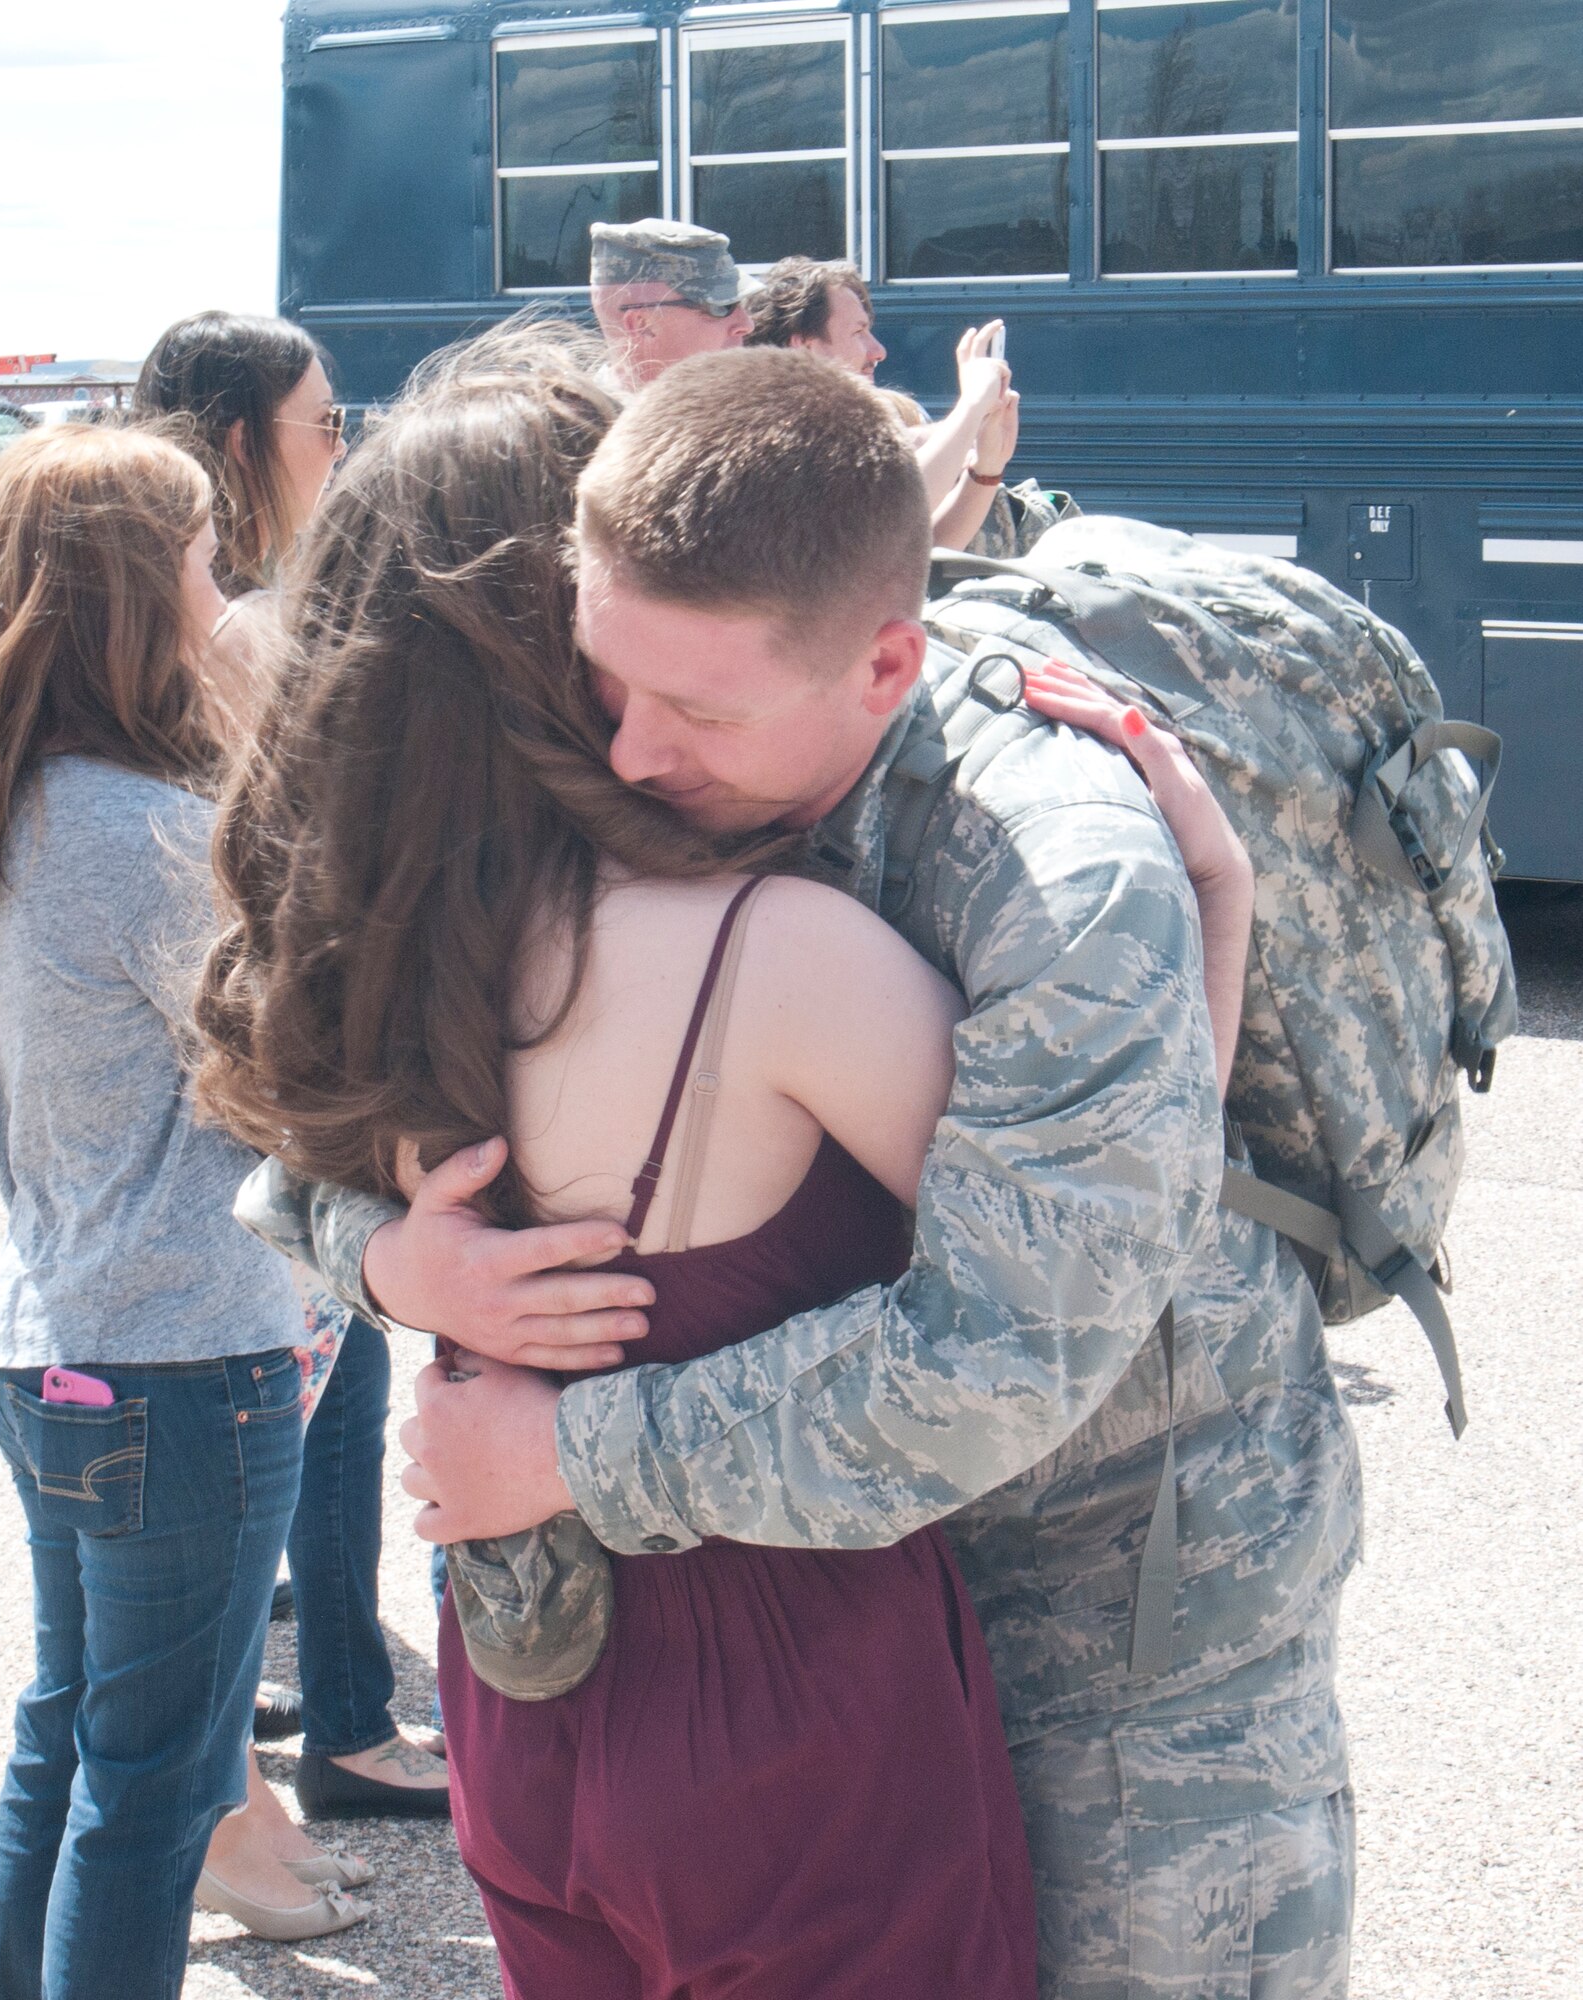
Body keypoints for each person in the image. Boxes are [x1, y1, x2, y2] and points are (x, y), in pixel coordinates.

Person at [265, 345, 1361, 2000]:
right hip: (804, 1676)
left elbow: (1034, 1327)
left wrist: (554, 1442)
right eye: (605, 682)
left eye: (688, 706)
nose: (636, 752)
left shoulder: (1037, 871)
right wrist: (383, 1258)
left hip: (1127, 1634)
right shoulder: (613, 886)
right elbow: (288, 1153)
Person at [0, 425, 367, 1998]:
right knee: (154, 1793)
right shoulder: (151, 834)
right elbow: (314, 1054)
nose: (224, 600)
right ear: (127, 601)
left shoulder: (10, 807)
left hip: (52, 1338)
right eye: (205, 569)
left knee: (70, 1741)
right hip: (183, 1363)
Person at [135, 311, 448, 1819]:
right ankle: (347, 1726)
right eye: (326, 423)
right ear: (245, 437)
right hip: (260, 1084)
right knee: (339, 1373)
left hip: (192, 1097)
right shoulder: (243, 624)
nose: (345, 446)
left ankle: (277, 1712)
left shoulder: (142, 613)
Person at [744, 253, 1072, 557]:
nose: (878, 351)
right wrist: (971, 406)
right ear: (804, 345)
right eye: (858, 332)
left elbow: (921, 555)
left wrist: (986, 467)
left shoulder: (836, 431)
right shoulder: (766, 437)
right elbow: (890, 514)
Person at [588, 219, 754, 391]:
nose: (747, 325)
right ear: (642, 325)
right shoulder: (588, 416)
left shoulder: (737, 409)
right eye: (721, 307)